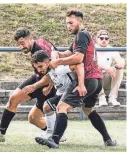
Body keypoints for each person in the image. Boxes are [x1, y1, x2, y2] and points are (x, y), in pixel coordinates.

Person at [34, 9, 117, 148]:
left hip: (87, 79)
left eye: (71, 23)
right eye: (67, 23)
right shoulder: (81, 36)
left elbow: (78, 58)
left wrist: (58, 62)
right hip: (96, 80)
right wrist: (58, 54)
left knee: (62, 106)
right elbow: (69, 53)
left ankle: (54, 140)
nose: (68, 26)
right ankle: (108, 139)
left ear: (80, 21)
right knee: (88, 109)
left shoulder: (81, 35)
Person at [0, 28, 66, 142]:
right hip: (43, 80)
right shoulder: (38, 46)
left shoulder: (41, 48)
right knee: (33, 118)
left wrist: (48, 86)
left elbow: (55, 68)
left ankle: (1, 133)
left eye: (22, 43)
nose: (21, 47)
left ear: (30, 38)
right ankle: (57, 133)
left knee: (15, 100)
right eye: (18, 44)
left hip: (48, 81)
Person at [22, 50, 83, 140]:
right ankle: (56, 134)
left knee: (50, 107)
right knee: (49, 107)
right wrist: (49, 87)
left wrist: (81, 85)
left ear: (47, 61)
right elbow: (51, 76)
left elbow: (77, 65)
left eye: (40, 66)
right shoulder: (52, 69)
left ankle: (53, 134)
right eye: (37, 68)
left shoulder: (59, 67)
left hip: (71, 93)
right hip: (62, 94)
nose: (39, 70)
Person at [96, 30, 125, 106]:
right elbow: (91, 66)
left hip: (107, 78)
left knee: (120, 69)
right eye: (101, 38)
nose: (104, 40)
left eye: (106, 38)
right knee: (94, 70)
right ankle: (101, 97)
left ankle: (112, 97)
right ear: (97, 39)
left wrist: (114, 67)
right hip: (96, 80)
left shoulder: (111, 49)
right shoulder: (93, 49)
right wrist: (106, 68)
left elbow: (122, 62)